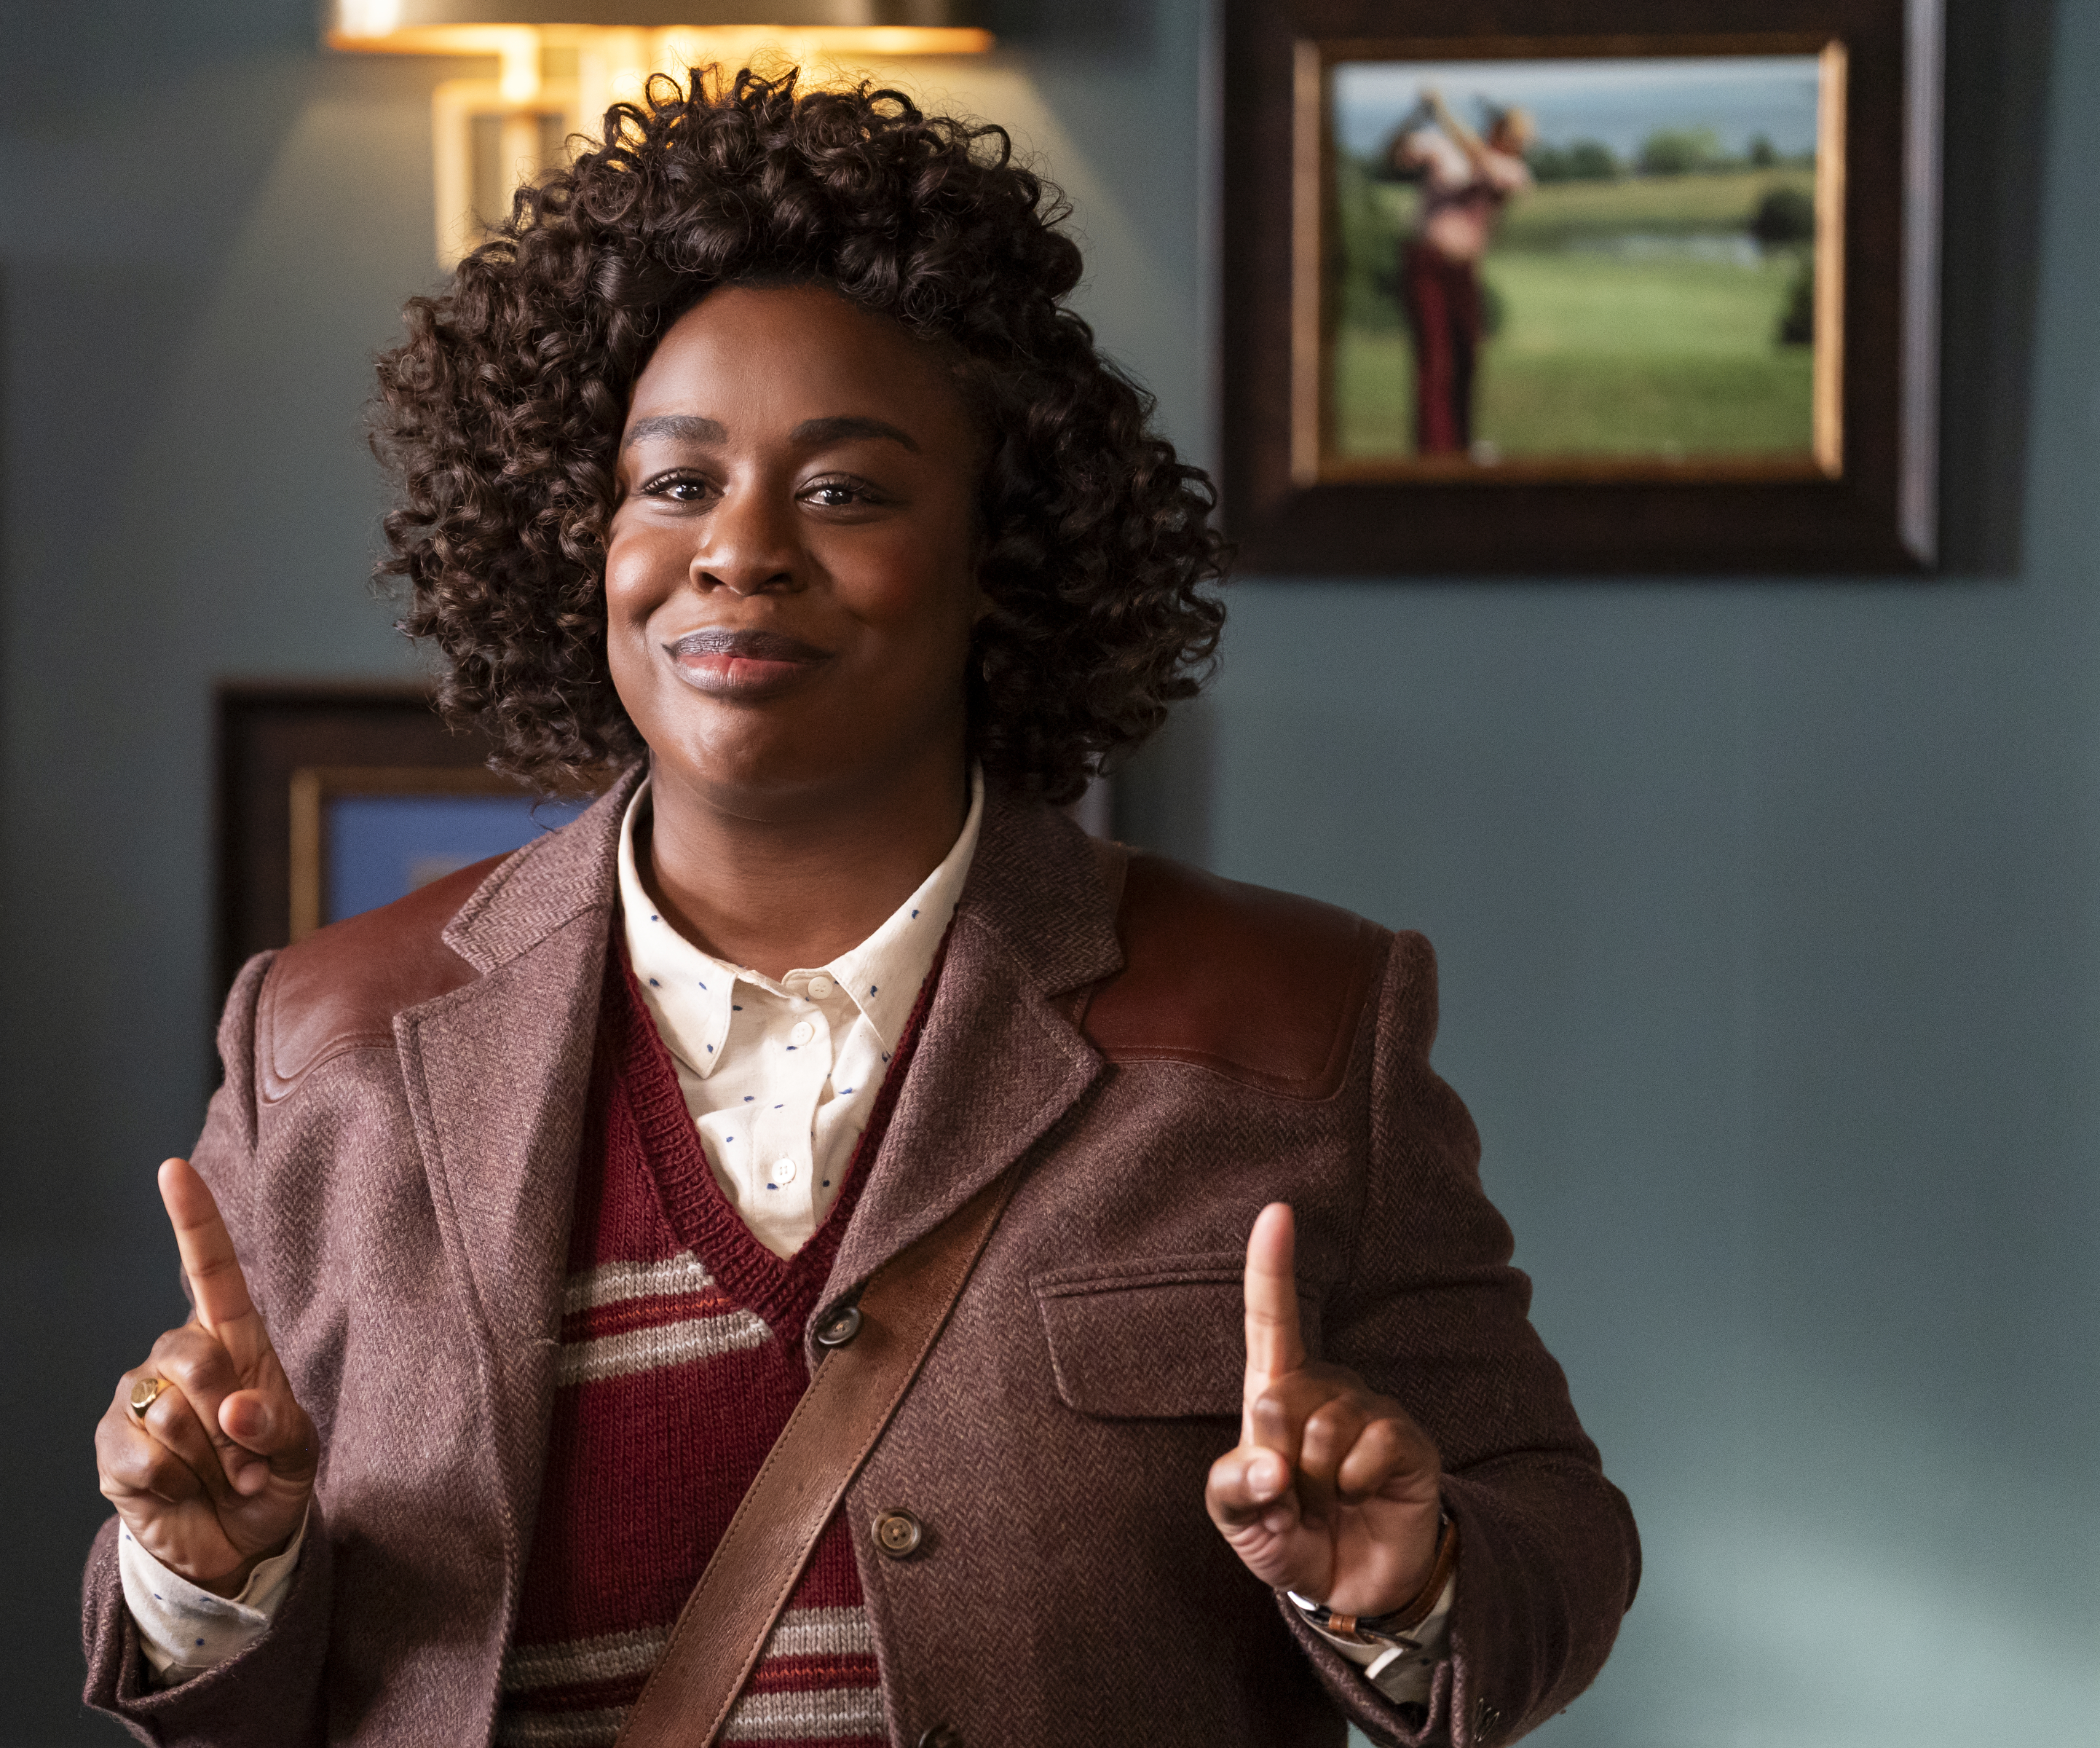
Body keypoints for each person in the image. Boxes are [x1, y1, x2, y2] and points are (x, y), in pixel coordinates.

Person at [84, 69, 1635, 1747]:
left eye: (845, 490)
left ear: (999, 559)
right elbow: (209, 1684)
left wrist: (1400, 1582)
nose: (737, 549)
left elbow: (1547, 1549)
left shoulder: (1292, 1020)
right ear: (573, 536)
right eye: (674, 483)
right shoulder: (329, 1040)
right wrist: (209, 1570)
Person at [1386, 92, 1536, 456]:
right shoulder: (1442, 148)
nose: (1520, 143)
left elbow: (1479, 161)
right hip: (1427, 263)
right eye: (1515, 135)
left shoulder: (1511, 170)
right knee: (1434, 358)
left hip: (1464, 270)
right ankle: (1433, 451)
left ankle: (1461, 445)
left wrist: (1443, 111)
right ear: (1498, 131)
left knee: (1467, 356)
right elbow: (1393, 155)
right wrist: (1418, 115)